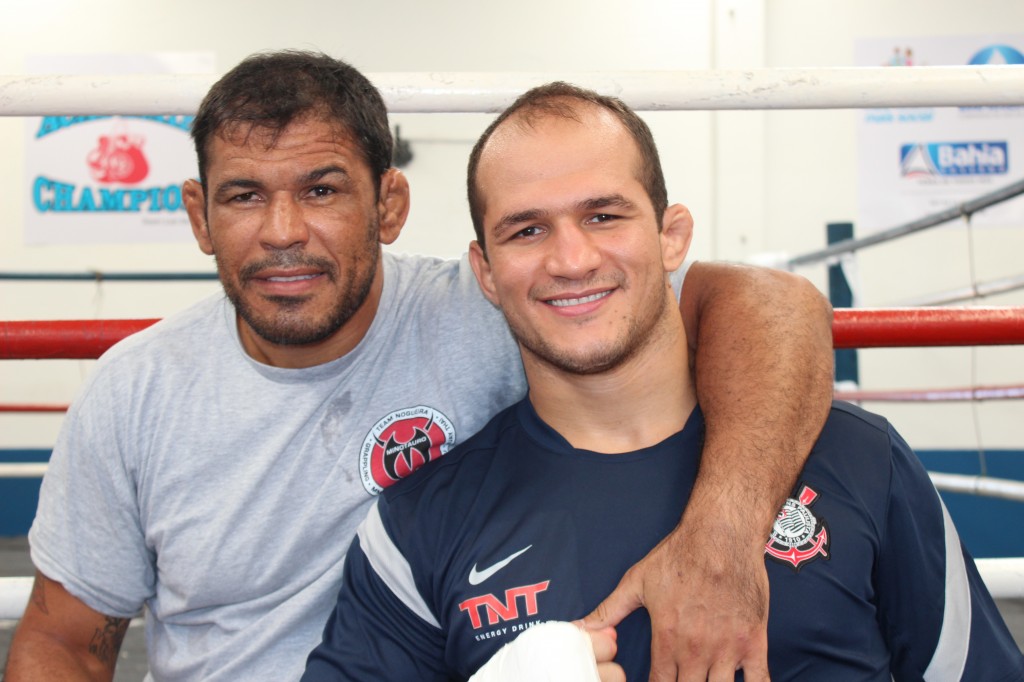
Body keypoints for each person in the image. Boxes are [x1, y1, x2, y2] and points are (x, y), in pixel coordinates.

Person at [4, 52, 834, 682]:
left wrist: (725, 533)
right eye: (245, 195)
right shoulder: (136, 392)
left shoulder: (499, 306)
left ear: (390, 207)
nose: (284, 230)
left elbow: (776, 306)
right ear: (199, 216)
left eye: (323, 190)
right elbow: (62, 640)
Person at [302, 82, 1024, 681]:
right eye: (526, 231)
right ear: (485, 271)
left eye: (604, 215)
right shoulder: (421, 522)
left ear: (672, 235)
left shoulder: (862, 462)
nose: (571, 259)